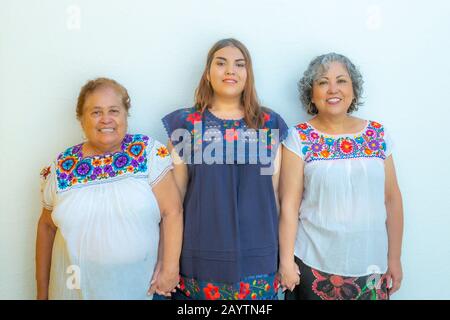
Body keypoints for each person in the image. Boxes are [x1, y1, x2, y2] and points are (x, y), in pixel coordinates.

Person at [161, 38, 288, 300]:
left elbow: (276, 196)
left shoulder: (269, 123)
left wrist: (285, 259)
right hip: (199, 257)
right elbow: (174, 203)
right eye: (221, 63)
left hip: (260, 257)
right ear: (207, 74)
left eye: (239, 65)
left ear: (248, 74)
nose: (231, 70)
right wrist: (167, 263)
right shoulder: (185, 123)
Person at [36, 77, 183, 299]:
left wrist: (170, 269)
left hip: (142, 289)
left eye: (114, 110)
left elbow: (172, 211)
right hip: (73, 291)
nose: (106, 119)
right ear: (81, 119)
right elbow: (46, 228)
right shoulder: (62, 167)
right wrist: (42, 292)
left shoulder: (147, 152)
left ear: (125, 115)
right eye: (95, 112)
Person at [279, 53, 404, 300]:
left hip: (371, 268)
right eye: (323, 82)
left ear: (354, 90)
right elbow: (289, 205)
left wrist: (394, 259)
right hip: (313, 266)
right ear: (312, 94)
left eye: (341, 81)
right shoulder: (299, 138)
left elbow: (392, 199)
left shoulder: (378, 135)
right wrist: (285, 262)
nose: (333, 89)